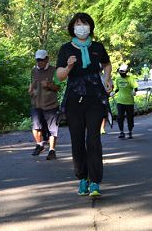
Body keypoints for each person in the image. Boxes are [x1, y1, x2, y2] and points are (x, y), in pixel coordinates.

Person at [56, 12, 112, 198]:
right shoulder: (65, 49)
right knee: (77, 140)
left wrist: (107, 79)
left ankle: (95, 181)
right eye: (78, 24)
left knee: (93, 139)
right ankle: (82, 178)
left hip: (95, 96)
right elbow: (60, 76)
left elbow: (107, 64)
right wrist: (69, 67)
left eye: (85, 24)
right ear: (72, 28)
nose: (82, 27)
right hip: (74, 98)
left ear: (90, 27)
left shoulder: (97, 47)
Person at [28, 49, 60, 160]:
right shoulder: (33, 71)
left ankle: (52, 150)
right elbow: (32, 84)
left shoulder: (54, 70)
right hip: (36, 104)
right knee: (35, 126)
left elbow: (57, 87)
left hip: (50, 105)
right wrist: (30, 90)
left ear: (47, 59)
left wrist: (49, 85)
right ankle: (39, 144)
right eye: (38, 60)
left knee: (52, 129)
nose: (39, 62)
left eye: (41, 60)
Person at [113, 64, 138, 139]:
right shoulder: (117, 79)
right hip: (120, 101)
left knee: (130, 117)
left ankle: (130, 131)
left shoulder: (131, 78)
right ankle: (121, 132)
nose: (122, 73)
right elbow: (117, 88)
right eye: (121, 72)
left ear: (126, 71)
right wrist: (113, 92)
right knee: (120, 117)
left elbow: (135, 87)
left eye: (123, 72)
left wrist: (134, 91)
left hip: (129, 101)